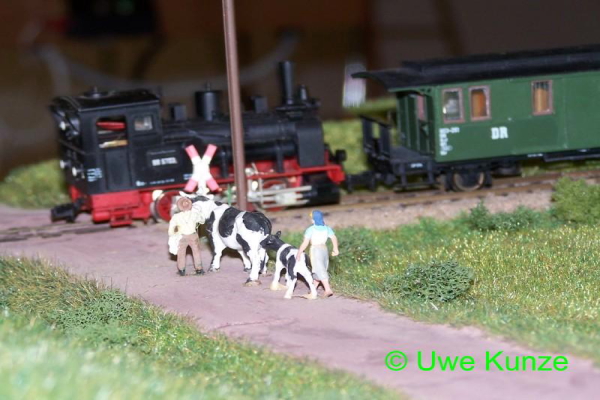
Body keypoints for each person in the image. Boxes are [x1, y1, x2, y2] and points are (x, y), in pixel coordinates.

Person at [296, 210, 339, 297]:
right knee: (319, 269)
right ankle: (313, 289)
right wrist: (335, 249)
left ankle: (327, 289)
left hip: (315, 250)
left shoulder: (311, 229)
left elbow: (305, 243)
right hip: (324, 249)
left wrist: (299, 252)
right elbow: (334, 238)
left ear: (313, 220)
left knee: (319, 269)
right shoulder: (327, 228)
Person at [168, 197, 205, 276]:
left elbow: (171, 229)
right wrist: (199, 212)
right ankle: (199, 269)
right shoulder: (194, 215)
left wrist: (172, 235)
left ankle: (181, 270)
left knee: (181, 253)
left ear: (180, 206)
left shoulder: (176, 216)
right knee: (196, 252)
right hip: (193, 235)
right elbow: (202, 221)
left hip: (182, 236)